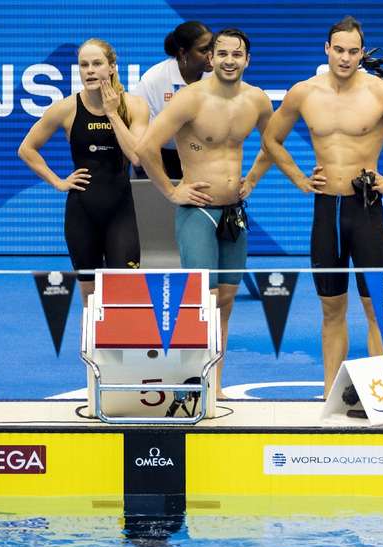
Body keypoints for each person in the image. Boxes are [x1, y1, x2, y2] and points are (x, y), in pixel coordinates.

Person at [262, 16, 383, 396]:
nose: (345, 58)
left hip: (366, 209)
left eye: (353, 51)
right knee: (331, 309)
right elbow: (272, 139)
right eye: (338, 50)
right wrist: (298, 178)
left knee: (377, 308)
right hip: (326, 211)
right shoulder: (303, 92)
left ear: (362, 52)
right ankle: (330, 394)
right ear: (326, 49)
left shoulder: (382, 93)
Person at [136, 28, 273, 399]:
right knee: (203, 300)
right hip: (198, 212)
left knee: (226, 299)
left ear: (247, 59)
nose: (230, 61)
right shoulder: (189, 100)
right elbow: (146, 147)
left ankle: (216, 382)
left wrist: (254, 178)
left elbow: (273, 142)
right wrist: (171, 190)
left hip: (234, 212)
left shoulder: (257, 101)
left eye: (237, 54)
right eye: (222, 53)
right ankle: (194, 378)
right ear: (211, 58)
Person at [18, 38, 149, 305]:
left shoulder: (134, 106)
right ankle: (90, 348)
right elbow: (27, 149)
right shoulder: (66, 109)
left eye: (97, 63)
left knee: (124, 288)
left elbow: (136, 156)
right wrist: (58, 181)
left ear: (112, 68)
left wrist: (112, 114)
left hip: (120, 211)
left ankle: (119, 345)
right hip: (82, 212)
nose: (89, 70)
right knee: (89, 294)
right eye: (83, 65)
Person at [133, 20, 213, 179]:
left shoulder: (218, 76)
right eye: (204, 50)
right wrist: (165, 185)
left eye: (213, 46)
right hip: (159, 154)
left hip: (202, 155)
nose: (211, 54)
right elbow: (141, 141)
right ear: (183, 53)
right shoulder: (154, 80)